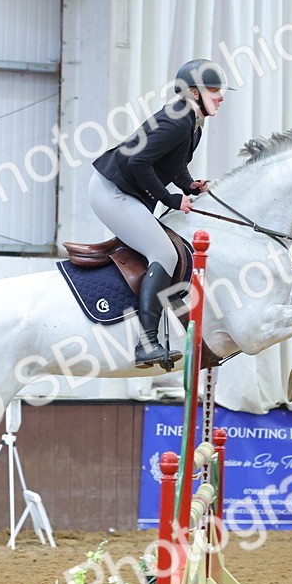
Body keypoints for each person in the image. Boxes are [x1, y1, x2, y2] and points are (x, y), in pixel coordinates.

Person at [90, 58, 232, 368]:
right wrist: (170, 198)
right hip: (110, 191)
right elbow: (137, 162)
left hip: (124, 190)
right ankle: (146, 344)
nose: (221, 96)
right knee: (164, 254)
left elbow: (171, 163)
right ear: (194, 93)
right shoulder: (177, 120)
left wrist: (188, 185)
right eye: (213, 90)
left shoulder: (192, 122)